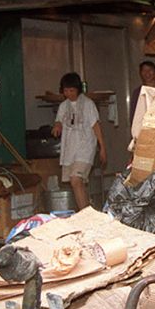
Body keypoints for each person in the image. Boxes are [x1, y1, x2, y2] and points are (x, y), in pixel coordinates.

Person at [51, 72, 106, 210]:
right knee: (76, 182)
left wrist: (102, 148)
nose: (69, 93)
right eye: (65, 91)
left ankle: (84, 214)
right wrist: (57, 125)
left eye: (72, 90)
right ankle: (87, 209)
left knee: (76, 179)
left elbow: (96, 126)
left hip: (85, 147)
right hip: (70, 148)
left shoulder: (88, 104)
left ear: (78, 89)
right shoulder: (64, 106)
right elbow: (58, 120)